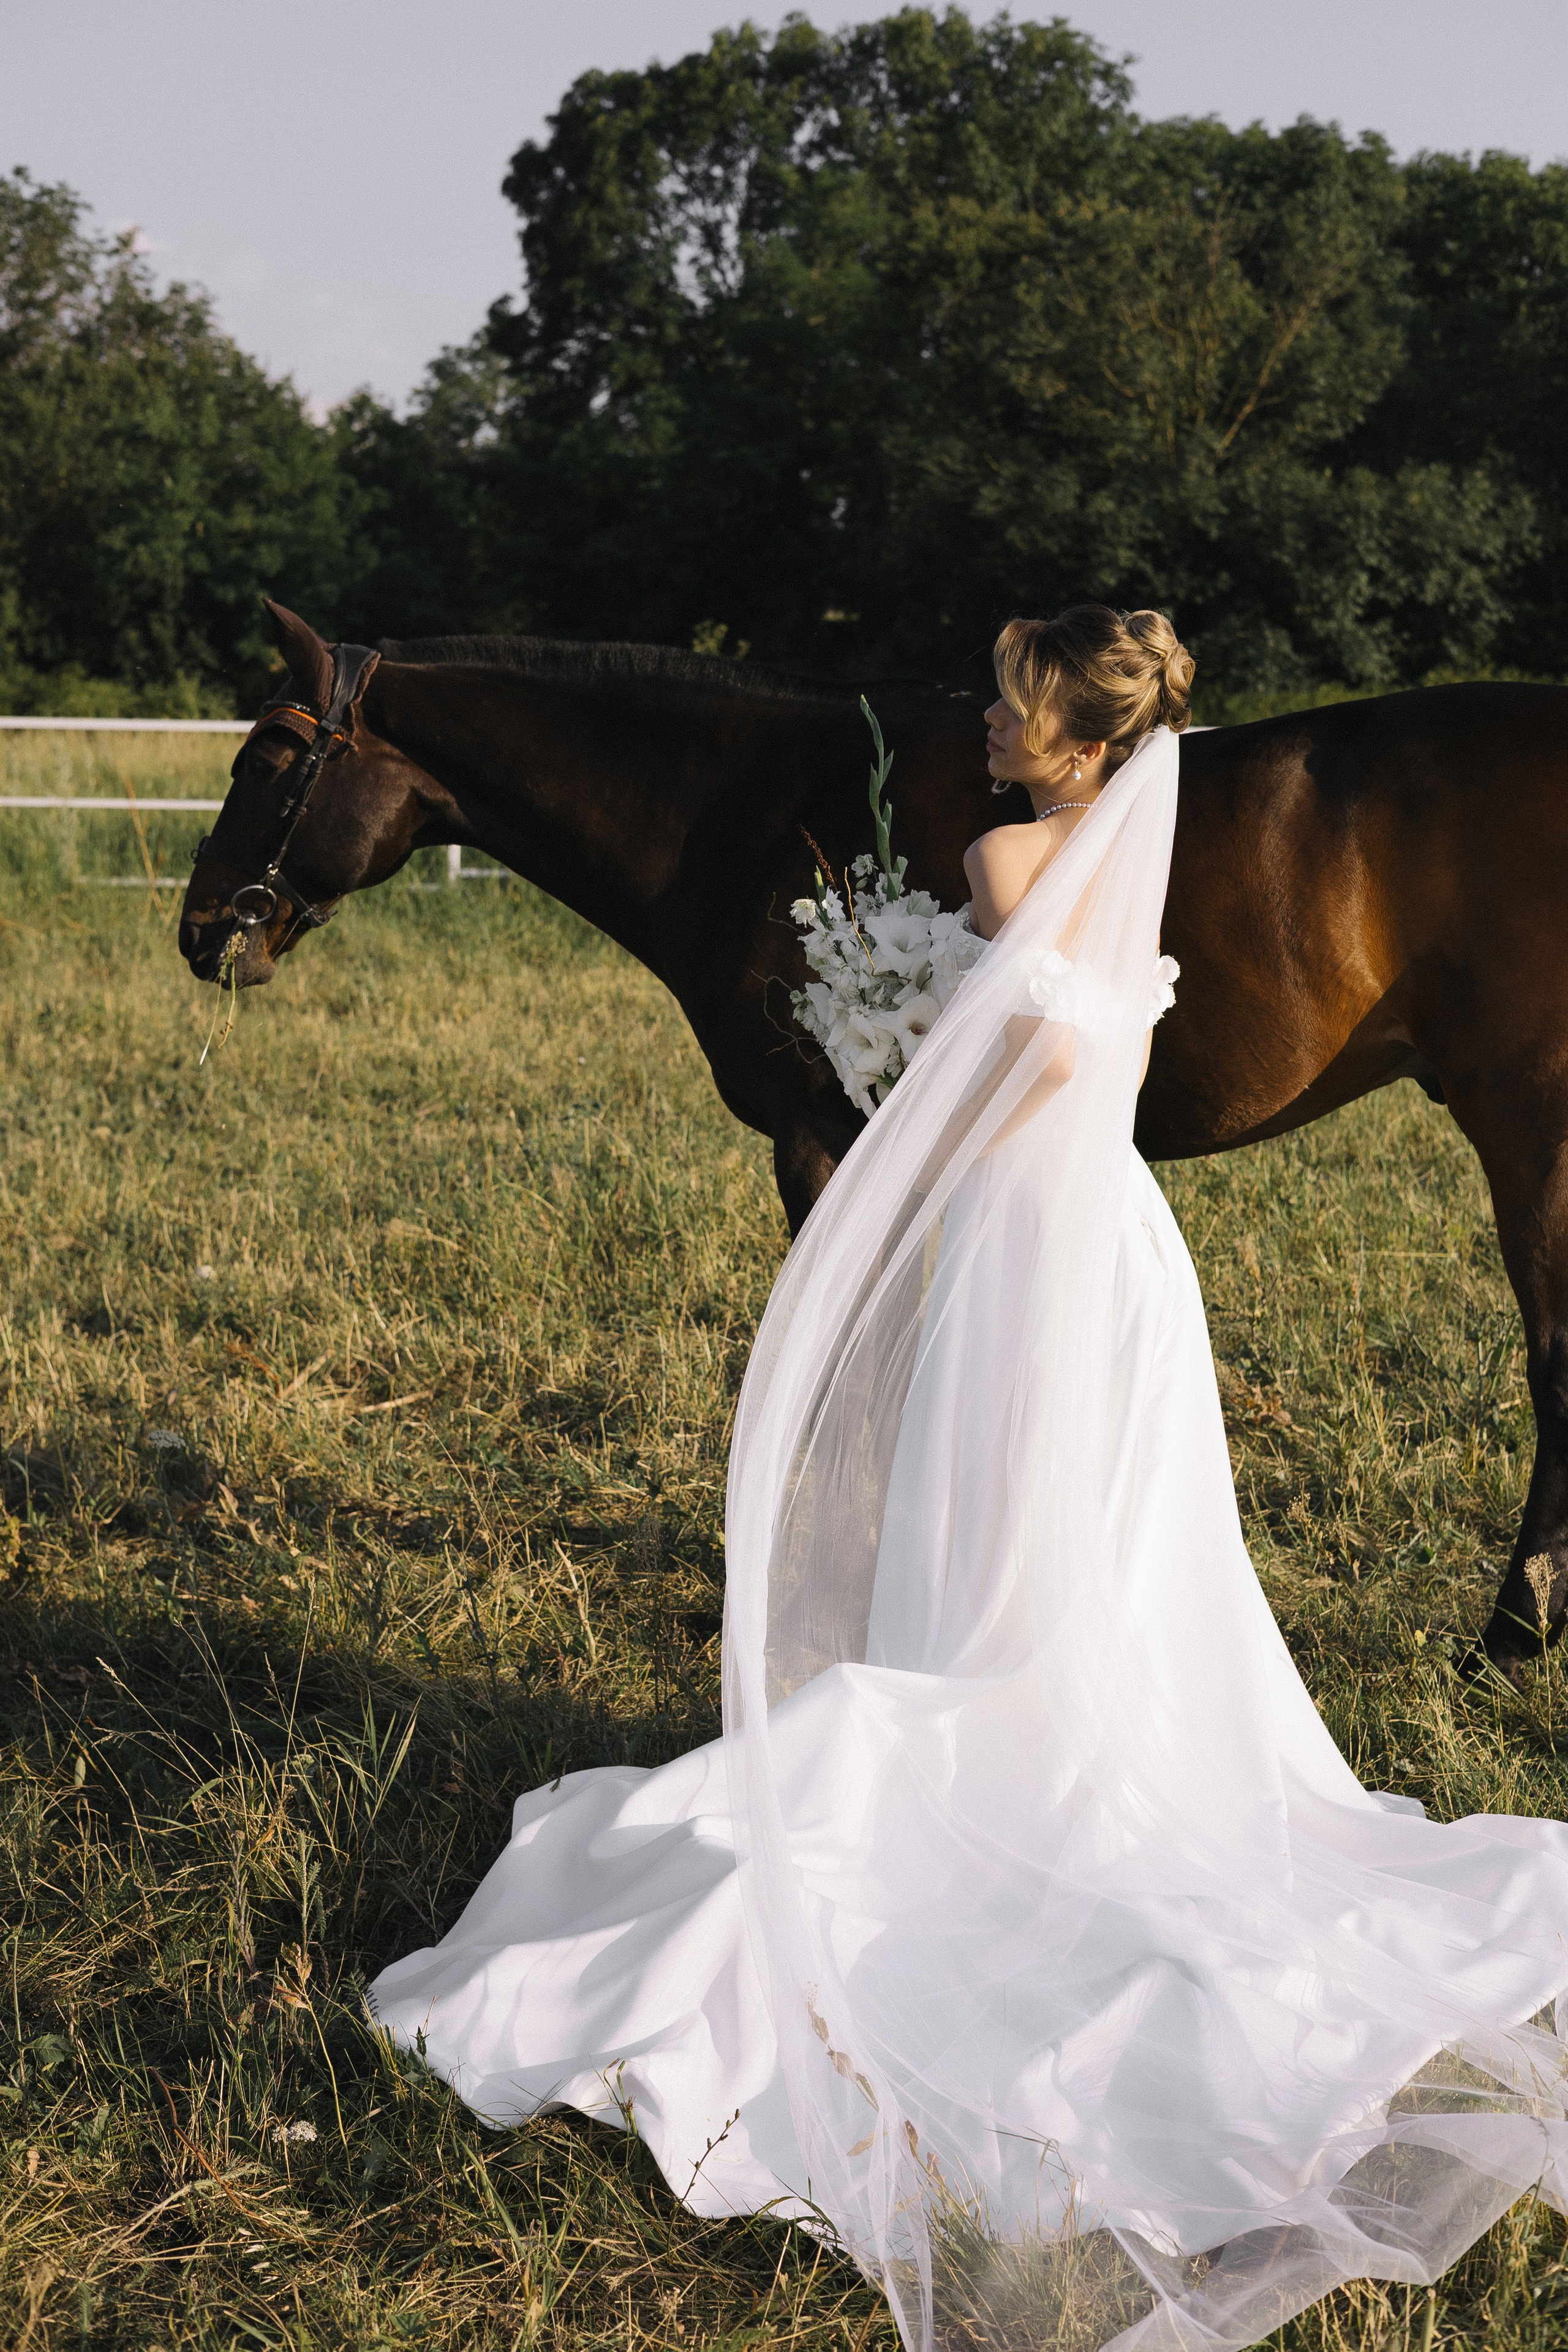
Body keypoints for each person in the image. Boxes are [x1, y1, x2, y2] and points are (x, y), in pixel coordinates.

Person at [370, 608, 1568, 2351]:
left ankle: (993, 1739)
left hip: (1025, 1222)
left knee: (999, 1495)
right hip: (1120, 1234)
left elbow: (1045, 1063)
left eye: (1013, 711)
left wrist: (906, 1096)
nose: (987, 729)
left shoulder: (1012, 860)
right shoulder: (1132, 860)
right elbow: (1111, 1047)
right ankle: (1078, 1730)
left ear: (1075, 741)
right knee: (1113, 1518)